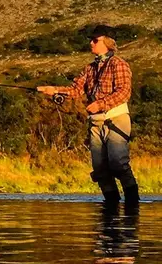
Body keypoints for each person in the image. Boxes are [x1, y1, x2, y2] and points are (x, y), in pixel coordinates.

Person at [37, 33, 138, 206]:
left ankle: (133, 205)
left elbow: (124, 92)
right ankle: (111, 206)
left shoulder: (118, 64)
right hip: (96, 123)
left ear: (107, 43)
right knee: (100, 169)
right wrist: (54, 90)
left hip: (116, 119)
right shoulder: (89, 68)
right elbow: (76, 90)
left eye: (95, 40)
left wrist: (100, 104)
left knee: (118, 163)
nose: (91, 42)